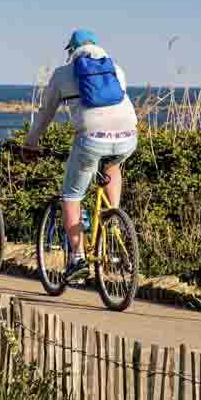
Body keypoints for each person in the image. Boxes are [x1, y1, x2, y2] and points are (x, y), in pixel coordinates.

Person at [22, 30, 138, 281]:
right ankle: (112, 219)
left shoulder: (63, 74)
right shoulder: (116, 69)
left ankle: (77, 258)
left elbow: (45, 114)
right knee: (112, 164)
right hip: (128, 136)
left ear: (71, 50)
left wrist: (31, 143)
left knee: (71, 196)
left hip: (91, 139)